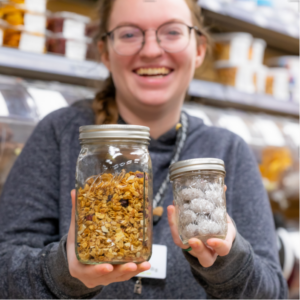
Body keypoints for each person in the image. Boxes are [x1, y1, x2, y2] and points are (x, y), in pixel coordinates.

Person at [0, 0, 288, 298]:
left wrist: (229, 262)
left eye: (172, 32)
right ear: (105, 53)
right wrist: (63, 270)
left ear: (199, 48)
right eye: (128, 34)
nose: (151, 50)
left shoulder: (228, 151)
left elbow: (272, 293)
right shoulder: (59, 135)